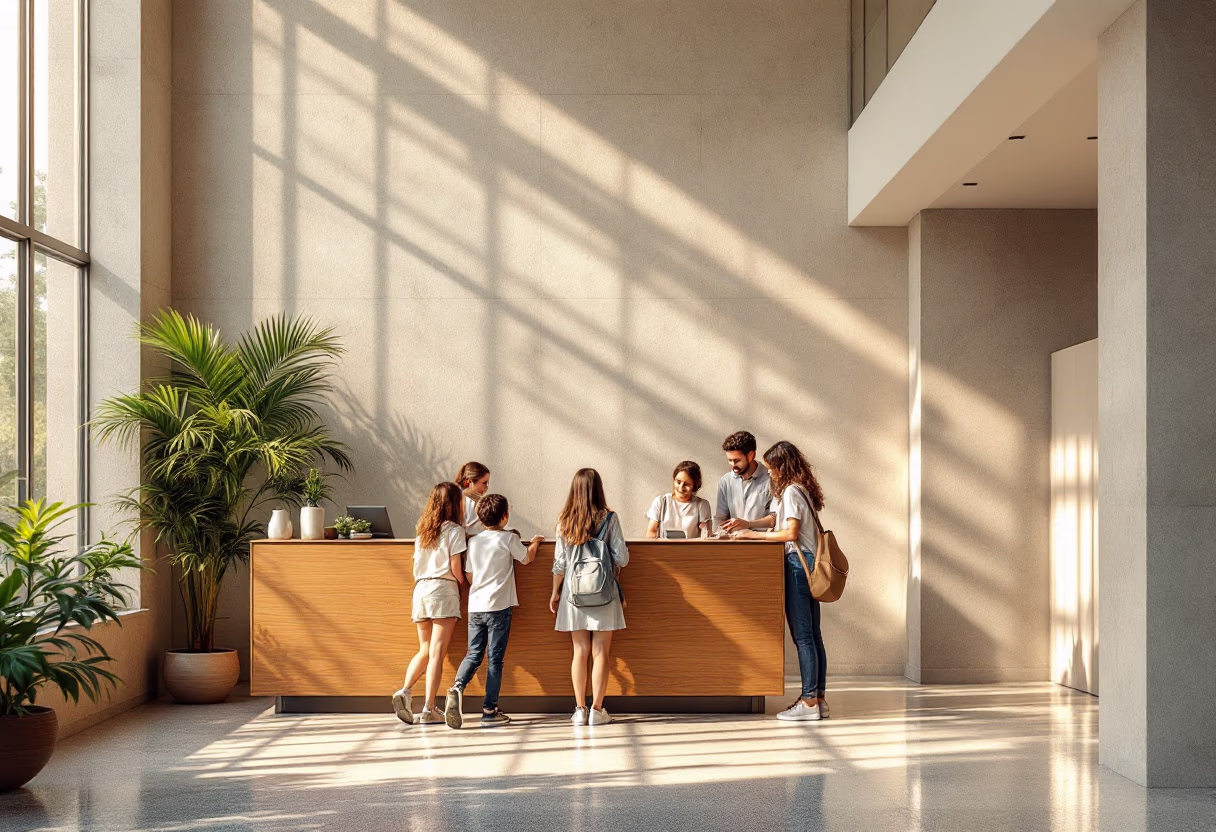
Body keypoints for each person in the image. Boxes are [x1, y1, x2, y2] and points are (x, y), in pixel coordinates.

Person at [732, 441, 830, 721]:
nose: (770, 473)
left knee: (803, 636)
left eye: (772, 467)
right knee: (813, 634)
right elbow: (785, 526)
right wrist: (748, 524)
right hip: (810, 565)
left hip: (798, 566)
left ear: (781, 466)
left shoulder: (790, 491)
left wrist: (753, 536)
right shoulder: (803, 490)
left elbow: (790, 534)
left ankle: (809, 701)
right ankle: (818, 699)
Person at [445, 494, 544, 729]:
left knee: (473, 653)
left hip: (476, 605)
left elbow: (469, 575)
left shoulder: (475, 542)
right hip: (498, 608)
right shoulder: (508, 539)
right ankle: (489, 711)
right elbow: (527, 559)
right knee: (495, 660)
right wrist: (536, 542)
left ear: (480, 519)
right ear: (505, 516)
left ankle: (457, 687)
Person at [549, 468, 629, 727]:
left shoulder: (564, 520)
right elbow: (622, 559)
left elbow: (559, 563)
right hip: (604, 593)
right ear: (598, 489)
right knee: (601, 652)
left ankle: (580, 710)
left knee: (579, 651)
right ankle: (597, 710)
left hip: (574, 595)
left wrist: (554, 592)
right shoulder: (610, 518)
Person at [393, 482, 466, 726]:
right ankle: (429, 708)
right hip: (443, 590)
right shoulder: (454, 531)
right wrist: (464, 583)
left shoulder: (423, 531)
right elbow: (455, 567)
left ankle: (404, 691)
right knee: (437, 653)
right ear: (454, 504)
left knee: (424, 650)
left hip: (420, 590)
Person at [715, 431, 776, 534]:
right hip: (733, 544)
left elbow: (775, 518)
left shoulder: (770, 478)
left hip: (762, 544)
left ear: (751, 455)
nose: (732, 465)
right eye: (730, 460)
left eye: (736, 460)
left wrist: (748, 524)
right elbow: (720, 517)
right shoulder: (725, 481)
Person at [645, 461, 712, 539]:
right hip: (664, 550)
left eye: (687, 484)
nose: (681, 488)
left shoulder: (702, 505)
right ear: (674, 480)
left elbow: (706, 535)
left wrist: (706, 529)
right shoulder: (661, 502)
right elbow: (651, 532)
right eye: (678, 482)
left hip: (691, 550)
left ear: (695, 486)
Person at [456, 461, 491, 536]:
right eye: (484, 483)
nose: (487, 486)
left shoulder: (486, 502)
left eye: (488, 483)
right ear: (469, 481)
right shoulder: (458, 502)